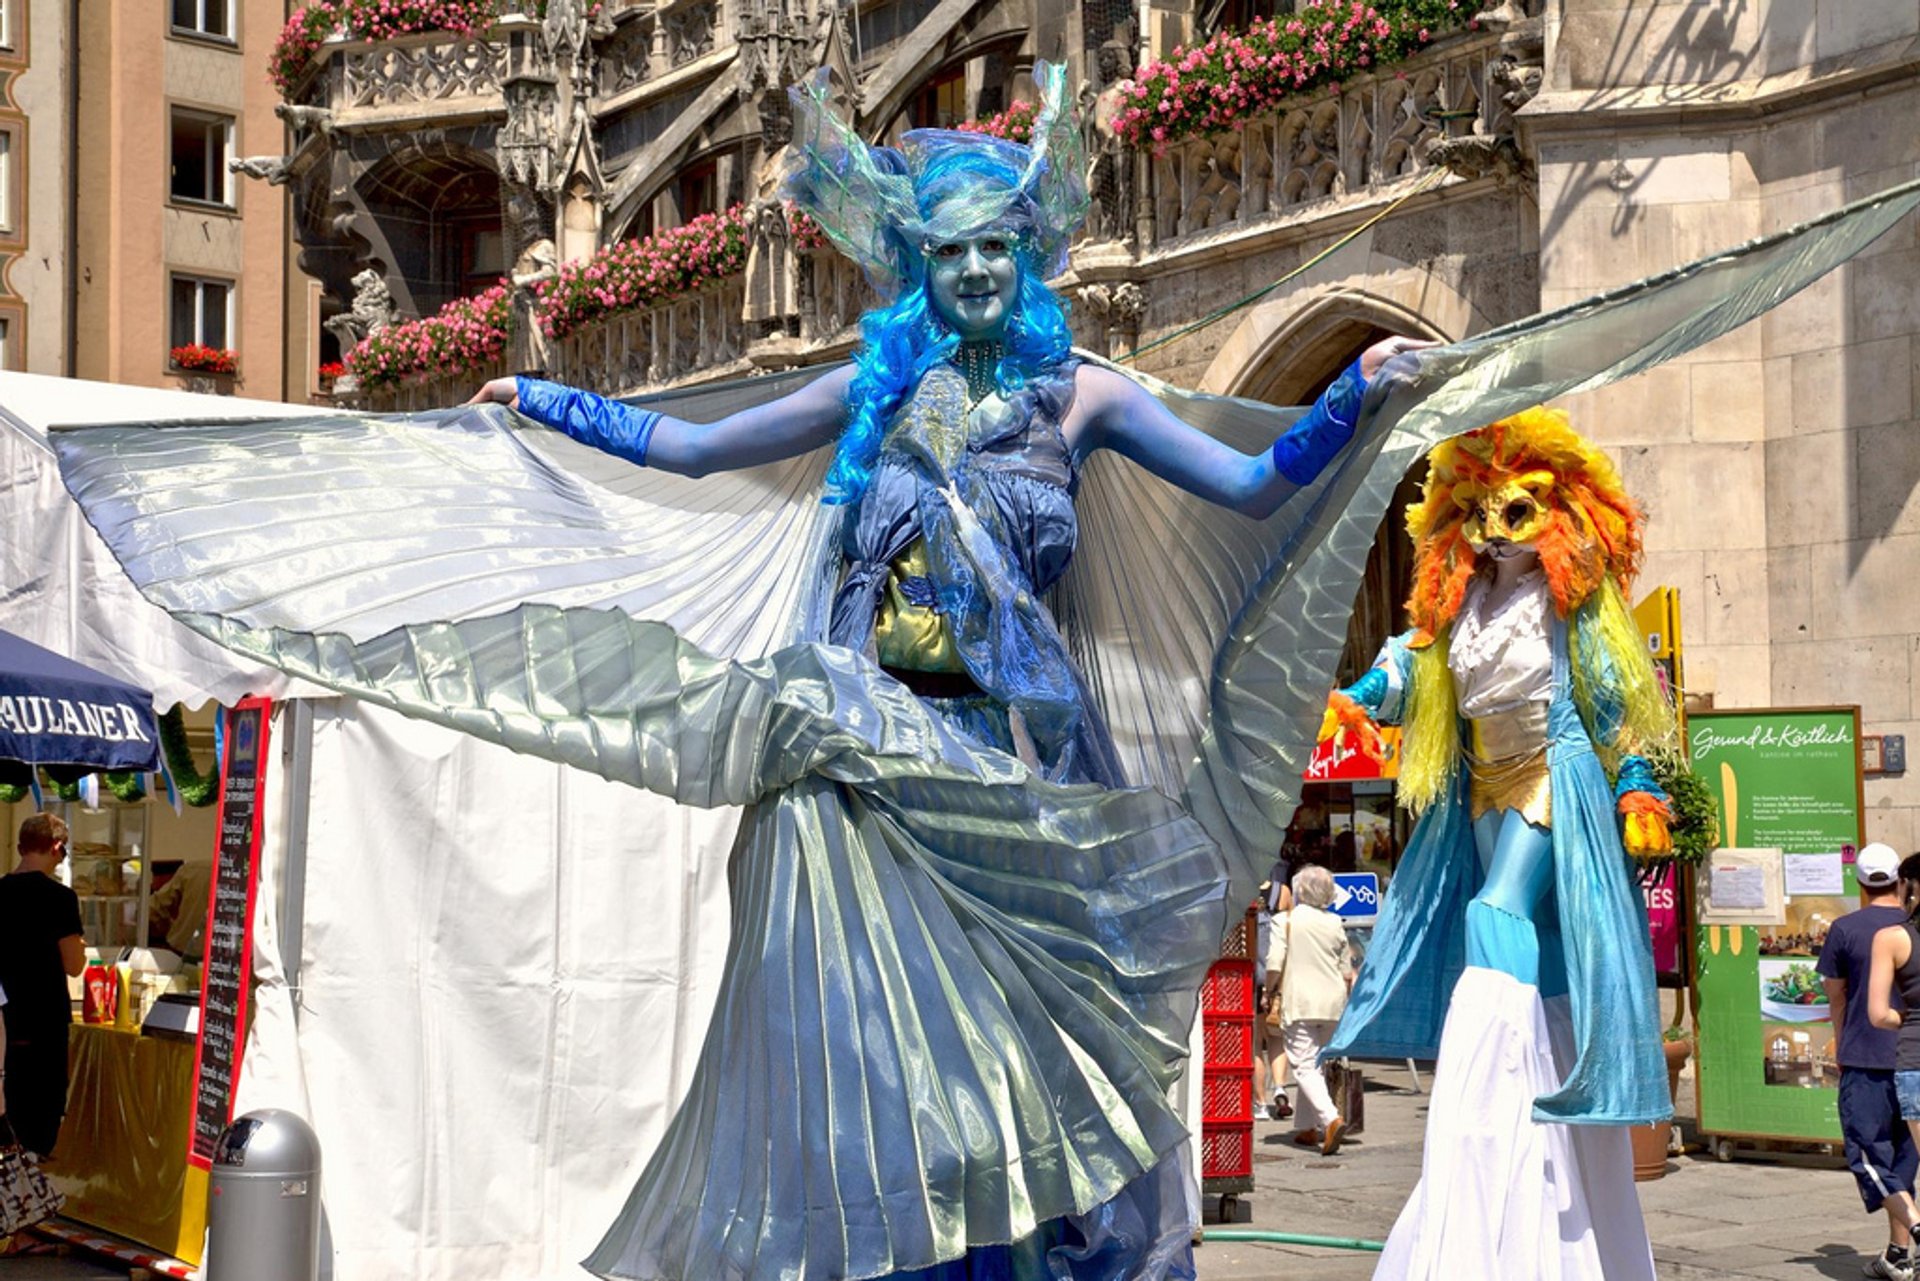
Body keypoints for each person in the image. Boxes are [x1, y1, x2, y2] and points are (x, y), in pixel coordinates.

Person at [462, 63, 1427, 1280]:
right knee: (877, 1063)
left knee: (1007, 1064)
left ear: (1027, 262)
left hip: (1003, 770)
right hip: (868, 770)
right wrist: (550, 403)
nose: (973, 270)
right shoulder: (876, 395)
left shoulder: (1083, 398)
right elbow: (697, 447)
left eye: (995, 251)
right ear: (920, 270)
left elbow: (1250, 483)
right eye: (949, 254)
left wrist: (1351, 396)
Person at [1323, 411, 1675, 1280]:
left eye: (1513, 512)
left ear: (1556, 515)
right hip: (1479, 780)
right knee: (1521, 943)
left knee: (1494, 909)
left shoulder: (1570, 606)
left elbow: (1609, 701)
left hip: (1552, 775)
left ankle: (1490, 1087)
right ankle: (1534, 1080)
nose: (1492, 530)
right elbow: (1412, 667)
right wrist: (1360, 693)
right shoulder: (1462, 602)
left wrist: (1637, 783)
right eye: (1477, 512)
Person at [1820, 842, 1919, 1279]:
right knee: (1903, 1162)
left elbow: (1836, 997)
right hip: (1911, 1057)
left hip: (1867, 1055)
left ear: (1859, 882)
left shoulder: (1845, 929)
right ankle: (1899, 1253)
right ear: (1899, 880)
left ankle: (1913, 1233)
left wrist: (1841, 1045)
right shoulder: (1913, 926)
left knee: (1870, 1159)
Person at [0, 814, 86, 1160]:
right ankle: (29, 1195)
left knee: (9, 1105)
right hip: (45, 1017)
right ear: (56, 847)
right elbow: (74, 964)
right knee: (42, 1114)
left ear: (21, 847)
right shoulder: (60, 899)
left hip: (6, 1018)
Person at [1266, 864, 1353, 1154]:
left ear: (1300, 890)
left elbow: (1275, 963)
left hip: (1300, 1001)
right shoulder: (1335, 922)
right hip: (1333, 1003)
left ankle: (1330, 1120)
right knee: (1314, 1063)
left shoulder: (1285, 920)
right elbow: (1346, 972)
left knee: (1303, 1065)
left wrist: (1268, 991)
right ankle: (1306, 1127)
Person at [1252, 851, 1295, 1121]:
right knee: (1277, 1036)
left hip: (1252, 974)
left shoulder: (1240, 890)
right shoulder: (1283, 892)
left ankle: (1260, 1103)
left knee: (1256, 1042)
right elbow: (1290, 931)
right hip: (1278, 974)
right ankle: (1280, 1088)